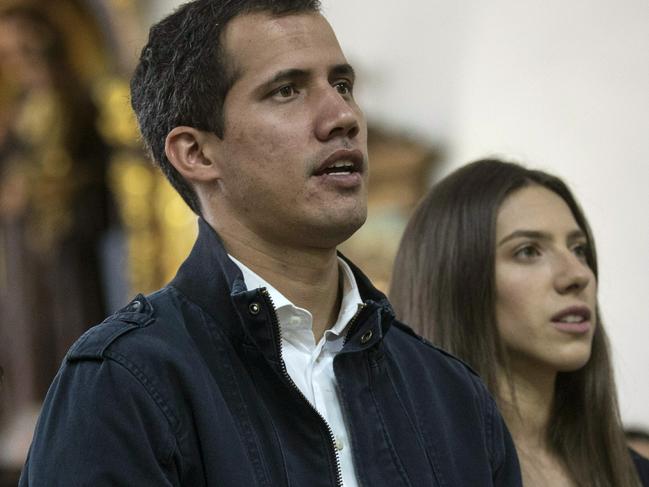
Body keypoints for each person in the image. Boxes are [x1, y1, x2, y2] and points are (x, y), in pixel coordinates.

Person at [19, 1, 522, 485]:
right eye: (287, 91)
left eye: (342, 85)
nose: (342, 116)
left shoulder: (451, 395)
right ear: (195, 153)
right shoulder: (123, 382)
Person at [390, 158, 649, 486]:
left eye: (579, 249)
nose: (578, 274)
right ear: (456, 281)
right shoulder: (405, 471)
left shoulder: (634, 475)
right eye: (528, 251)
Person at [0, 5, 113, 468]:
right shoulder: (19, 107)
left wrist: (49, 188)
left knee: (70, 317)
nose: (16, 62)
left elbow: (94, 172)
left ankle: (75, 414)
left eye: (23, 49)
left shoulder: (75, 101)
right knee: (25, 323)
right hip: (23, 241)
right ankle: (31, 419)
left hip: (68, 240)